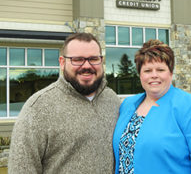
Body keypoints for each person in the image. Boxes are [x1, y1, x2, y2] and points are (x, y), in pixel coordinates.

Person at [8, 33, 121, 173]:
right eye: (77, 59)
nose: (87, 65)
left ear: (101, 60)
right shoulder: (38, 108)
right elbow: (21, 168)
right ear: (62, 62)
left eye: (93, 59)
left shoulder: (113, 100)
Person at [113, 39, 191, 174]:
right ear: (140, 74)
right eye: (147, 70)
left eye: (160, 69)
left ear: (170, 73)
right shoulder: (128, 105)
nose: (154, 75)